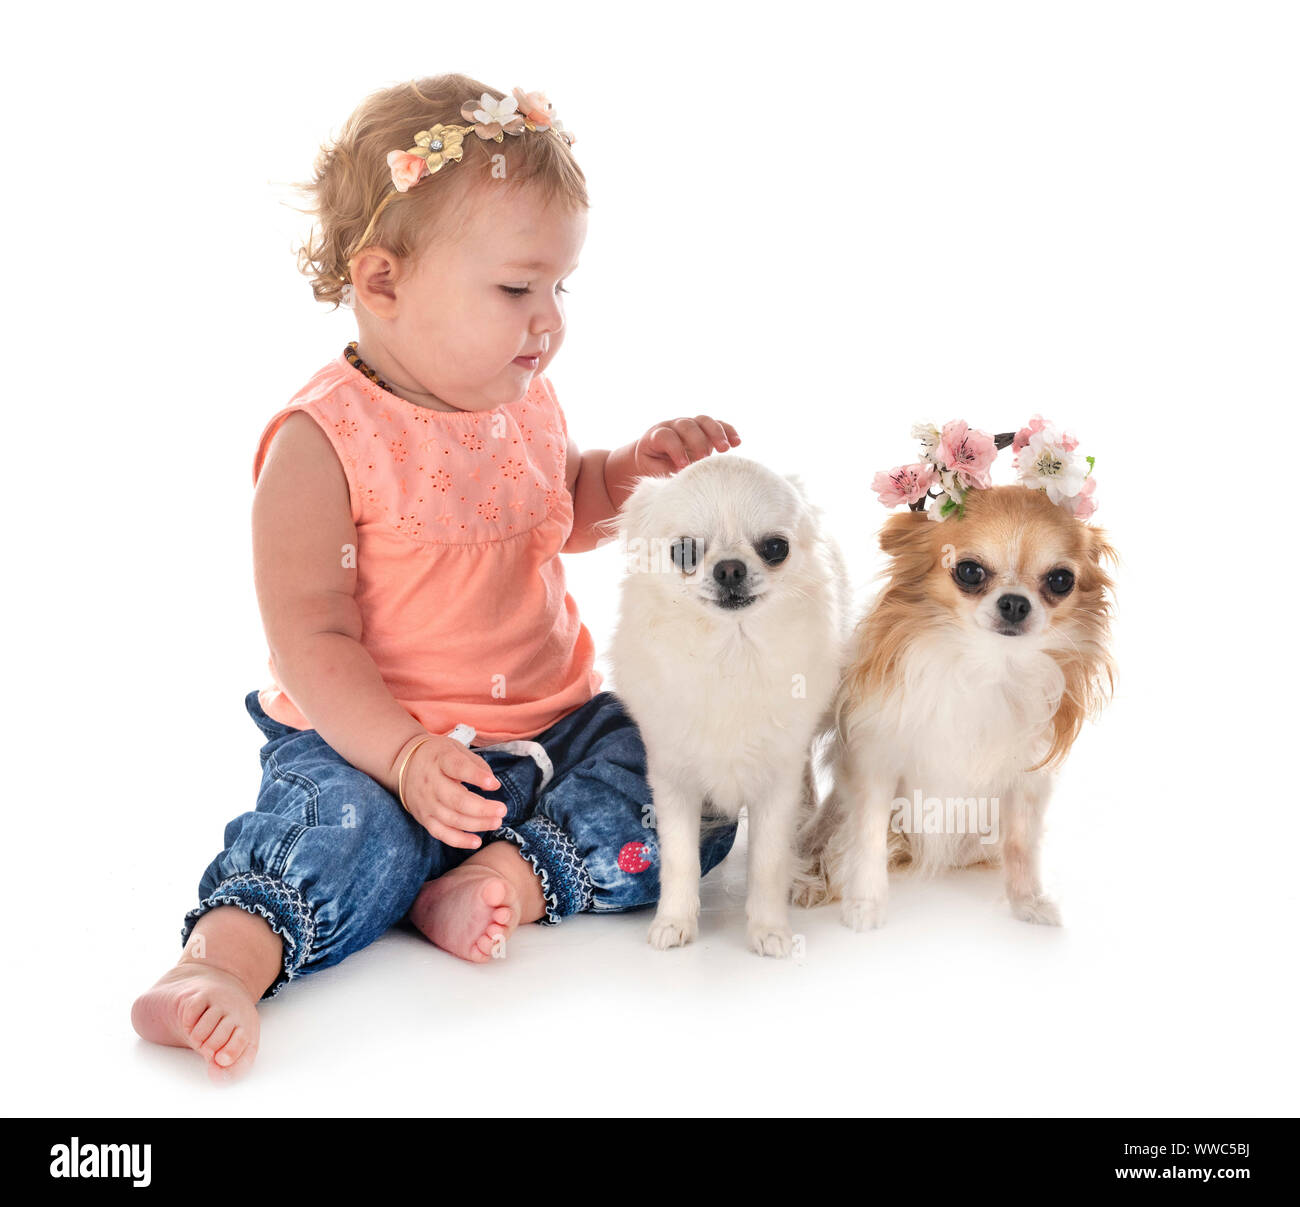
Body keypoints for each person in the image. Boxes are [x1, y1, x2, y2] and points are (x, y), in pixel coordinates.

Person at [131, 73, 741, 1081]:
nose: (546, 321)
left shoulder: (522, 397)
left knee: (694, 777)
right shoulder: (321, 443)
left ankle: (507, 874)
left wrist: (631, 469)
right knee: (337, 832)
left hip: (546, 732)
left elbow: (565, 506)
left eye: (560, 288)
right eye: (515, 288)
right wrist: (404, 756)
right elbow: (310, 637)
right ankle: (224, 960)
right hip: (371, 748)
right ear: (383, 282)